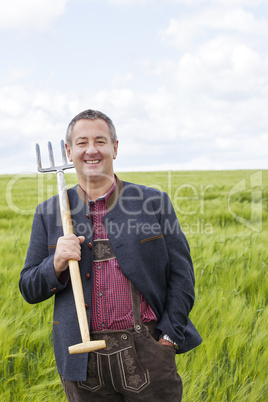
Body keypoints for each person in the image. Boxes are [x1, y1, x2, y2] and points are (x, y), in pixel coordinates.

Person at [19, 109, 202, 401]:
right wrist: (55, 264)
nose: (91, 150)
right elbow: (28, 287)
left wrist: (168, 338)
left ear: (115, 148)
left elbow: (182, 277)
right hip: (82, 362)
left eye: (100, 141)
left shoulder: (153, 202)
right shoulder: (49, 212)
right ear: (69, 151)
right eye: (81, 143)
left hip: (148, 354)